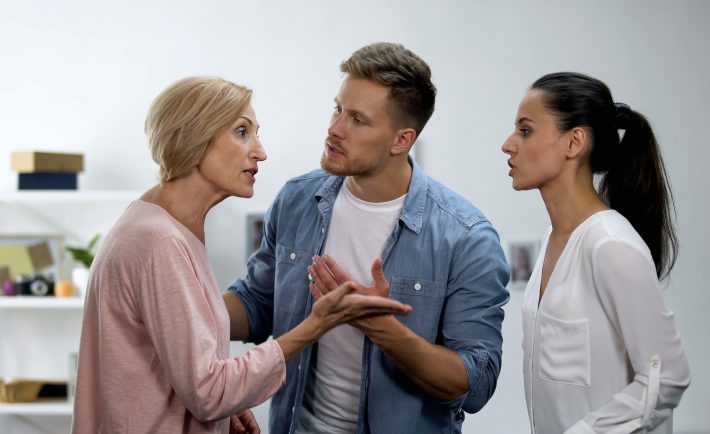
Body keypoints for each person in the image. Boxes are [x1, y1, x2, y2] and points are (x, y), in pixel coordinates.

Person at [71, 76, 412, 434]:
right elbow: (208, 391)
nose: (260, 151)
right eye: (241, 132)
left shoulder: (164, 226)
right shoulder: (160, 242)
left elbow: (178, 364)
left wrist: (222, 410)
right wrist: (318, 323)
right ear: (194, 139)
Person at [224, 42, 510, 434]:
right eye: (338, 109)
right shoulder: (297, 200)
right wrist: (181, 308)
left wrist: (381, 327)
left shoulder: (466, 239)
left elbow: (476, 385)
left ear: (401, 140)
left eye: (358, 120)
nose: (335, 128)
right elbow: (257, 304)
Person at [501, 72, 691, 433]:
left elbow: (668, 376)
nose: (508, 144)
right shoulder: (554, 240)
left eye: (525, 131)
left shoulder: (610, 245)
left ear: (574, 143)